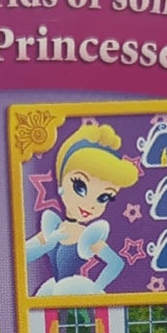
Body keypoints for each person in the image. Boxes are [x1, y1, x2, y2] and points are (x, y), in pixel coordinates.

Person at [26, 124, 138, 296]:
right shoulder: (54, 226)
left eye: (104, 197)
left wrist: (95, 289)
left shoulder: (87, 235)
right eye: (80, 187)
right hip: (52, 291)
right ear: (61, 183)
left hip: (75, 289)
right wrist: (49, 243)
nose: (90, 205)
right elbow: (23, 255)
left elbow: (116, 263)